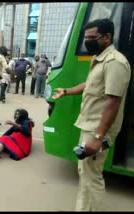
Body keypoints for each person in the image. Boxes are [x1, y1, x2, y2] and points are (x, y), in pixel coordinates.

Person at [52, 19, 131, 211]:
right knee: (85, 172)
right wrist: (67, 91)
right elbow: (90, 85)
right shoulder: (99, 58)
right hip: (89, 126)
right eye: (85, 37)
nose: (87, 41)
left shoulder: (115, 62)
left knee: (92, 177)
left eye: (92, 38)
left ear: (107, 37)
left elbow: (113, 102)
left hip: (97, 129)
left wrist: (98, 137)